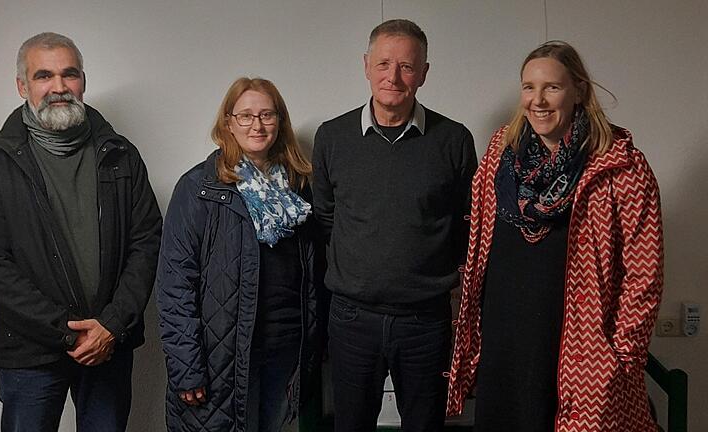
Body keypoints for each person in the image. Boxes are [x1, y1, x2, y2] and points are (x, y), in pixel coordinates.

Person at [445, 41, 664, 432]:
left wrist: (621, 359)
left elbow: (643, 277)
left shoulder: (621, 166)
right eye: (529, 87)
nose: (538, 100)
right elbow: (477, 240)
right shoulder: (501, 153)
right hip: (505, 342)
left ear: (579, 90)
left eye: (552, 87)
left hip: (579, 354)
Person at [0, 32, 162, 431]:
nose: (58, 87)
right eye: (43, 76)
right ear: (23, 86)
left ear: (83, 81)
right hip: (30, 354)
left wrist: (111, 325)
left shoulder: (121, 155)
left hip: (109, 345)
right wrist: (67, 333)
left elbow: (147, 242)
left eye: (69, 75)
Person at [313, 19, 477, 432]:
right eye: (384, 63)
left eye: (407, 66)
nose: (394, 76)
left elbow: (467, 221)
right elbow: (326, 218)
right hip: (352, 319)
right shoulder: (332, 137)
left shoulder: (454, 139)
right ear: (366, 65)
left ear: (424, 73)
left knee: (425, 426)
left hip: (426, 321)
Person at [157, 77, 318, 432]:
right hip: (220, 359)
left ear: (280, 121)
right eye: (245, 116)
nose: (257, 125)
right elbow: (174, 287)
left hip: (284, 352)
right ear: (228, 122)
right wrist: (187, 367)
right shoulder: (198, 188)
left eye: (266, 115)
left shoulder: (299, 187)